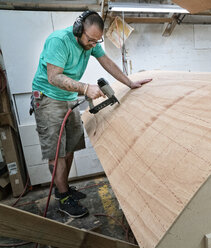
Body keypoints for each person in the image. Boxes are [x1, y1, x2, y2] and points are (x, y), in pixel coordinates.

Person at [31, 10, 152, 218]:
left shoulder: (92, 43)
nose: (93, 44)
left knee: (70, 148)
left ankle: (65, 189)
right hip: (48, 97)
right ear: (79, 30)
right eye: (89, 39)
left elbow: (107, 62)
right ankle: (63, 199)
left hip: (68, 97)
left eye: (97, 40)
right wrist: (86, 88)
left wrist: (129, 82)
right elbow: (54, 77)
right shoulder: (59, 40)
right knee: (57, 153)